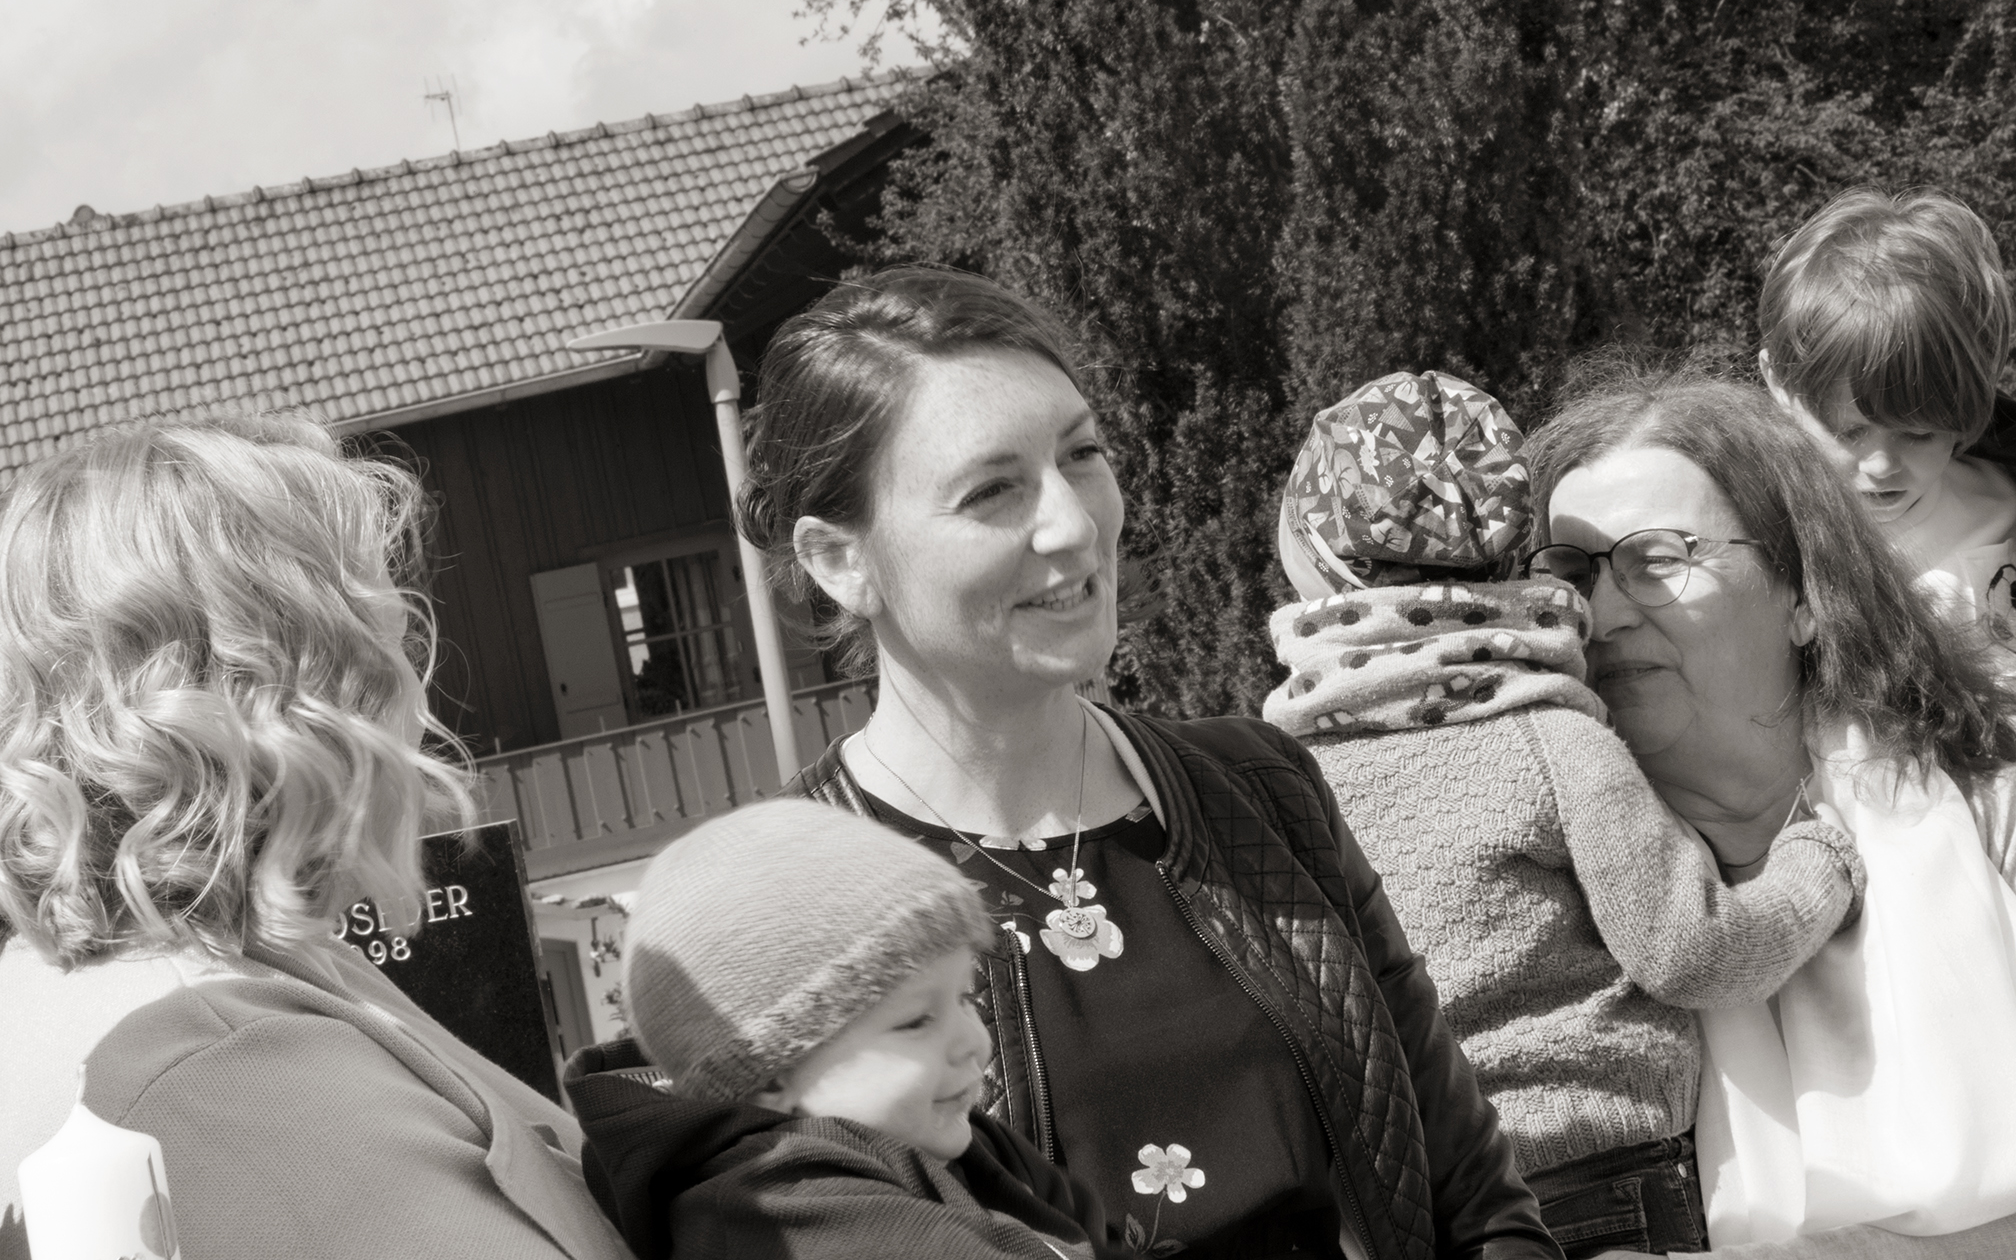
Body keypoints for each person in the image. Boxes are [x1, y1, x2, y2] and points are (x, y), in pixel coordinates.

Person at [727, 265, 1563, 1260]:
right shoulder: (793, 912)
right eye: (991, 491)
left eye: (1081, 454)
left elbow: (1477, 1203)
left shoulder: (1259, 788)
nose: (1076, 524)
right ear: (839, 560)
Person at [1263, 370, 1866, 1259]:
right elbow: (1694, 950)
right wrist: (1821, 866)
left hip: (1407, 1208)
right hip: (1604, 1185)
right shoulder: (1553, 742)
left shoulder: (1281, 783)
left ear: (1319, 567)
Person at [0, 417, 629, 1260]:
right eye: (391, 637)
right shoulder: (229, 1061)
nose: (419, 698)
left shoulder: (127, 980)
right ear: (308, 695)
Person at [1525, 364, 2016, 1258]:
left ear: (1802, 594)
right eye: (1569, 571)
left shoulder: (1989, 804)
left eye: (1657, 560)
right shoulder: (1541, 907)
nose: (1604, 613)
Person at [567, 797, 1133, 1260]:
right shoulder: (782, 1208)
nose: (975, 1042)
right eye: (916, 1020)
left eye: (965, 998)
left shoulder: (973, 1144)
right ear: (772, 1075)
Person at [1758, 187, 2016, 658]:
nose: (1880, 465)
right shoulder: (1762, 535)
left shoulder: (2003, 506)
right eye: (1848, 431)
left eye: (1919, 434)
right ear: (1779, 383)